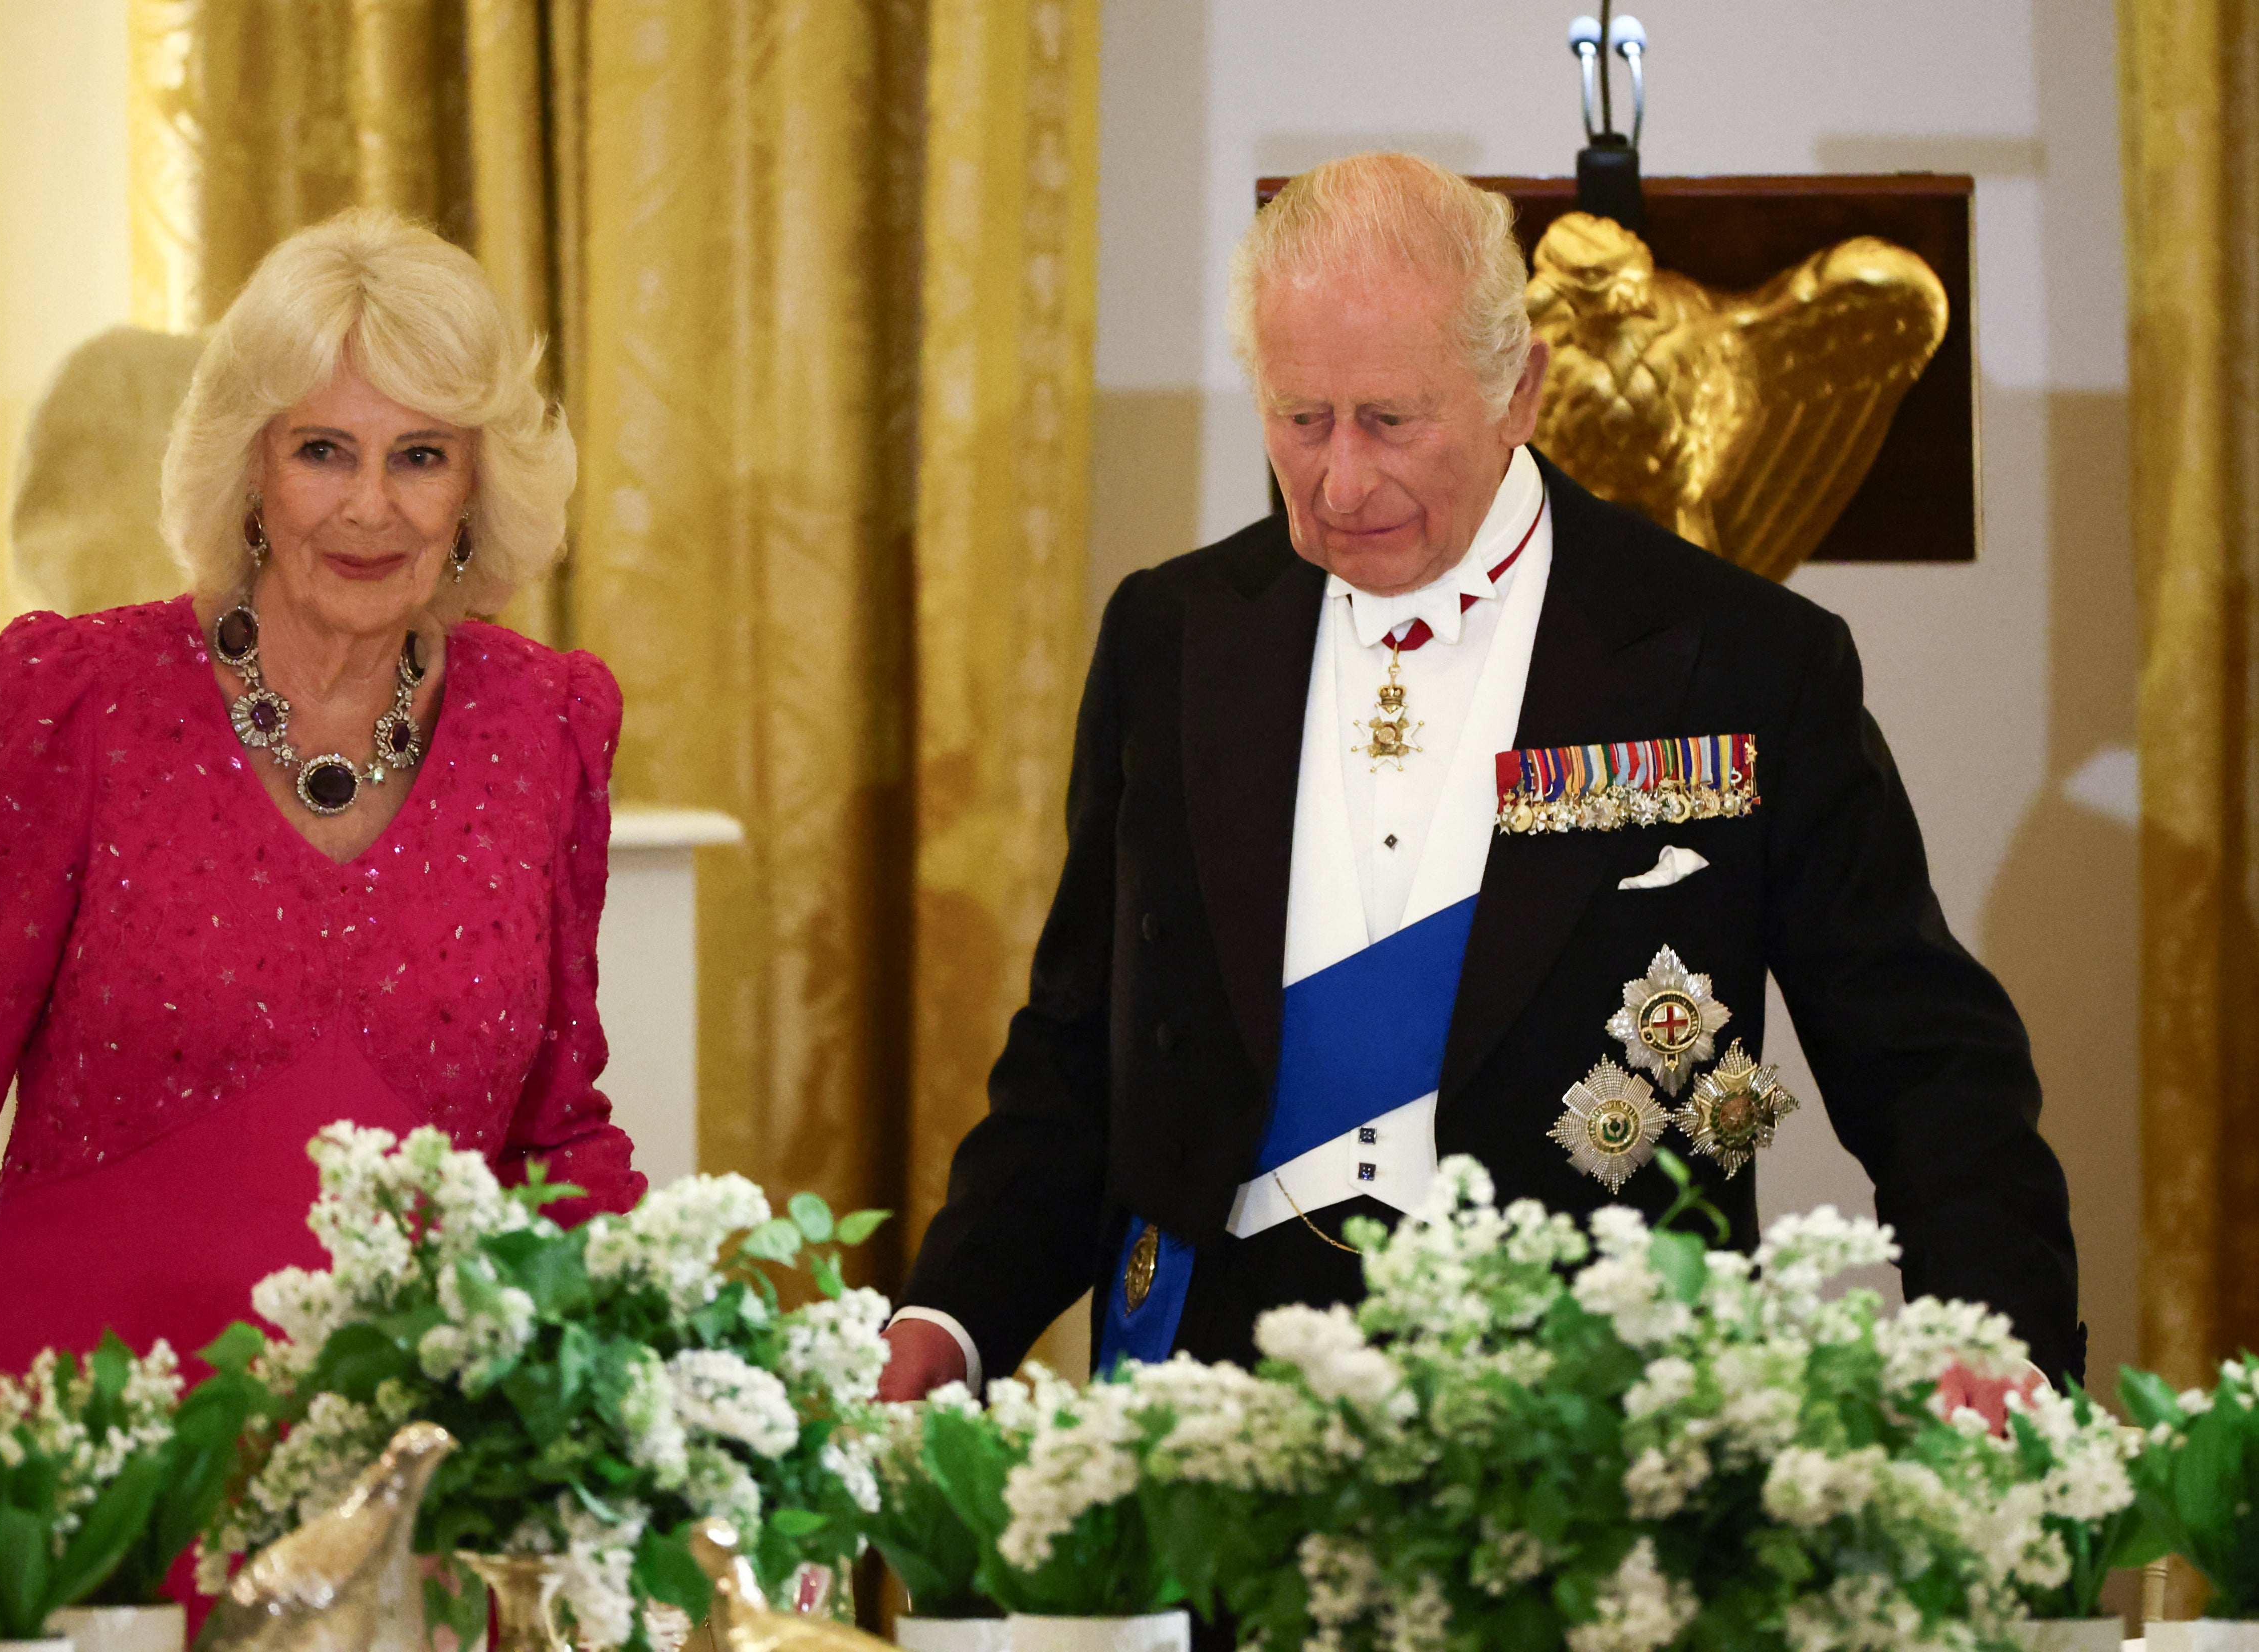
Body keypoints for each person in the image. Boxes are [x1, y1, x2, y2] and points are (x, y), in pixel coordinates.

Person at [881, 153, 2080, 1401]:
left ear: (1522, 390)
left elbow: (1921, 1055)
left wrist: (1996, 1339)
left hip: (1588, 1409)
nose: (1341, 482)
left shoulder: (1736, 661)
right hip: (1219, 1393)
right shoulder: (1174, 636)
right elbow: (1083, 1046)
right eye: (1301, 421)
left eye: (1391, 422)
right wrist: (953, 1315)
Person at [0, 209, 646, 1623]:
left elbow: (555, 1124)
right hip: (75, 1471)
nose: (371, 507)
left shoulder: (550, 721)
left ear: (479, 489)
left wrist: (662, 1390)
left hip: (406, 1499)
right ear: (249, 467)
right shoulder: (76, 698)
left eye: (419, 456)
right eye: (324, 451)